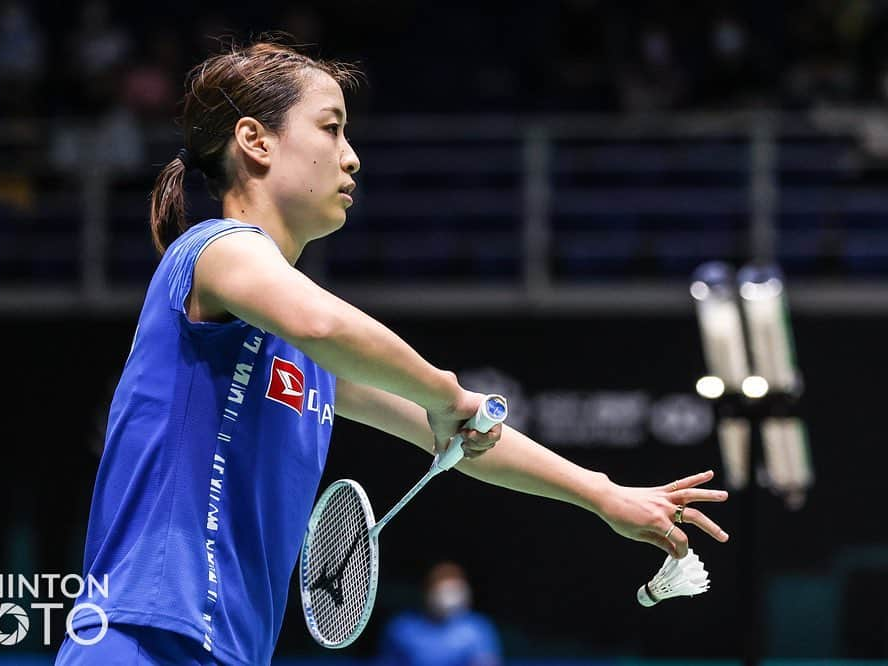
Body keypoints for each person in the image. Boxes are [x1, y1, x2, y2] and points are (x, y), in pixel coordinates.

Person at [55, 37, 730, 666]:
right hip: (143, 636)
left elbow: (463, 442)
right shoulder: (213, 250)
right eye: (330, 127)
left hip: (222, 650)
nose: (351, 156)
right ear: (255, 141)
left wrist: (604, 495)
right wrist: (444, 391)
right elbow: (329, 328)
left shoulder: (303, 355)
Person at [379, 562, 501, 666]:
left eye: (456, 591)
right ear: (428, 592)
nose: (450, 597)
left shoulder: (477, 628)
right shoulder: (401, 627)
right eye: (444, 591)